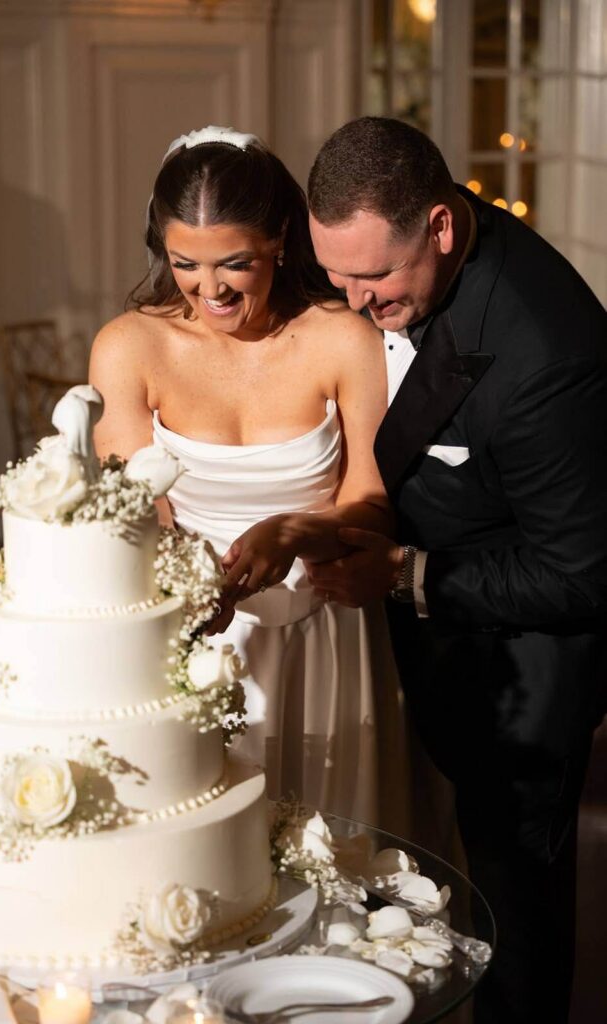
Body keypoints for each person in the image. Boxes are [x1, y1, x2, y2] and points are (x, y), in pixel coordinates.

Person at [306, 115, 607, 1024]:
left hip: (516, 677)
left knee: (511, 918)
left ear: (440, 227)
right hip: (393, 662)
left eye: (374, 279)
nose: (352, 303)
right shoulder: (379, 267)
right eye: (334, 277)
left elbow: (583, 572)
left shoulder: (546, 355)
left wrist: (403, 578)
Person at [89, 125, 410, 830]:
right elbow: (134, 516)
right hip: (201, 636)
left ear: (281, 241)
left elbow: (373, 502)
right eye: (185, 265)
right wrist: (192, 589)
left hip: (327, 629)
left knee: (336, 859)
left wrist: (294, 532)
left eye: (234, 263)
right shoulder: (128, 348)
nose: (210, 289)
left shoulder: (342, 338)